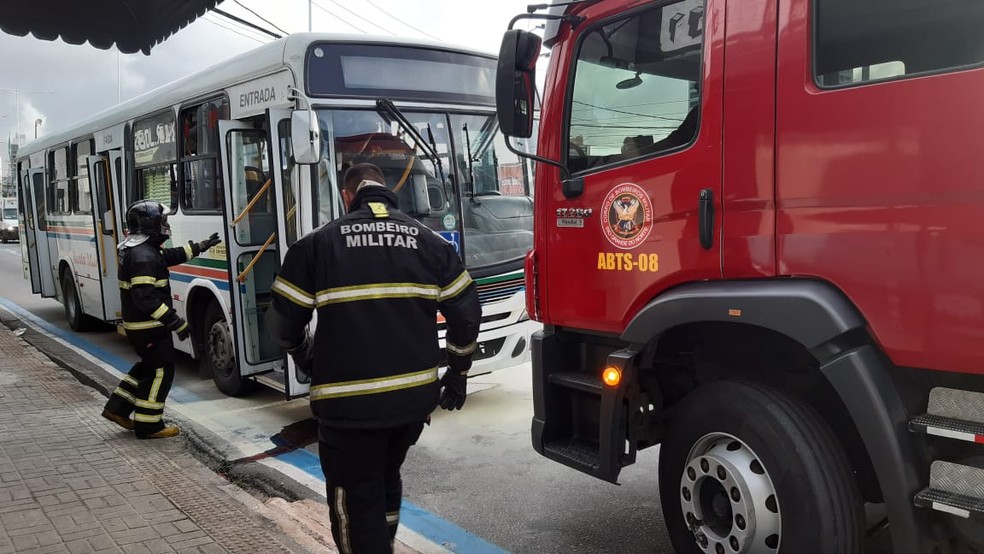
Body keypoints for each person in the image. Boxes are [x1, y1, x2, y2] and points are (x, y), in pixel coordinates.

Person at [266, 162, 481, 553]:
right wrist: (458, 372)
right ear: (386, 190)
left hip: (349, 412)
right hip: (412, 407)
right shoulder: (430, 242)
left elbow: (281, 325)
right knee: (385, 479)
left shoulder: (317, 244)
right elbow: (466, 314)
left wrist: (303, 354)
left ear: (347, 197)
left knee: (355, 501)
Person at [101, 200, 221, 439]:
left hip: (142, 327)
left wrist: (200, 246)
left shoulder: (140, 250)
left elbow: (167, 256)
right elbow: (146, 299)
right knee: (160, 372)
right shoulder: (143, 257)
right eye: (162, 221)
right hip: (149, 328)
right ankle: (149, 426)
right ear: (150, 224)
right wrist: (175, 322)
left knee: (148, 366)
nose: (165, 225)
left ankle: (117, 408)